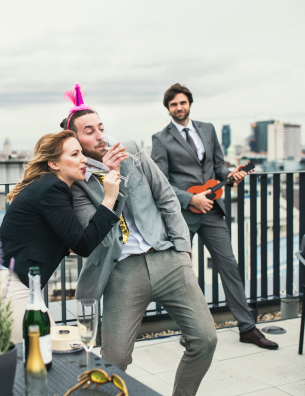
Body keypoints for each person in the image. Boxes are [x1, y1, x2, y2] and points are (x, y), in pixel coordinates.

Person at [62, 84, 217, 396]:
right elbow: (94, 234)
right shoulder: (77, 183)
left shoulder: (132, 150)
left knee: (205, 339)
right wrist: (110, 180)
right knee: (114, 359)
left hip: (166, 257)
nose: (100, 136)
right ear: (75, 141)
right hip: (122, 272)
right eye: (89, 131)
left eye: (101, 127)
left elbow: (167, 199)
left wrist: (182, 248)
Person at [151, 83, 278, 350]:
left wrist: (232, 177)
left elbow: (219, 167)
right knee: (183, 274)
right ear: (168, 109)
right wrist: (190, 198)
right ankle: (192, 329)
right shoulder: (160, 139)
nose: (179, 108)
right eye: (173, 104)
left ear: (190, 104)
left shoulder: (207, 129)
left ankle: (247, 327)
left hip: (212, 210)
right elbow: (161, 182)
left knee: (229, 266)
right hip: (183, 214)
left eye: (182, 102)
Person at [0, 128, 122, 344]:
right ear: (54, 164)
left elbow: (71, 240)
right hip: (10, 283)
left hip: (9, 280)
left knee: (31, 357)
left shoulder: (49, 187)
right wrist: (109, 198)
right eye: (74, 155)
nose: (83, 159)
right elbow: (83, 245)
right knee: (49, 348)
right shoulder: (53, 189)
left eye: (81, 153)